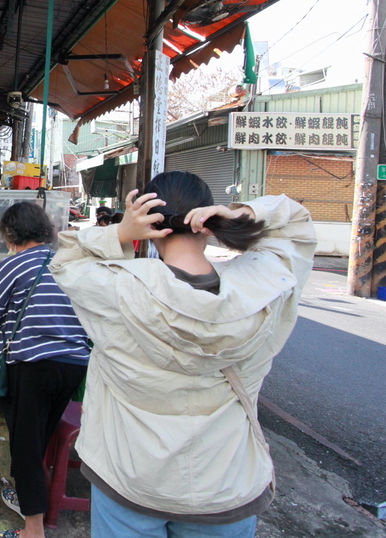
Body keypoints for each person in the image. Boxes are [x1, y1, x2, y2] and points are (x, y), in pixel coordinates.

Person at [50, 171, 316, 537]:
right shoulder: (267, 284)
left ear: (147, 218)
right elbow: (296, 221)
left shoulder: (116, 288)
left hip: (131, 481)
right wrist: (238, 213)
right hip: (226, 488)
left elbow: (66, 257)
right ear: (207, 221)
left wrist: (120, 233)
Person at [0, 201, 91, 538]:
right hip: (75, 366)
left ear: (11, 235)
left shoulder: (13, 265)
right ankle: (30, 498)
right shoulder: (68, 262)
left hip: (34, 367)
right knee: (40, 438)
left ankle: (33, 530)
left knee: (26, 449)